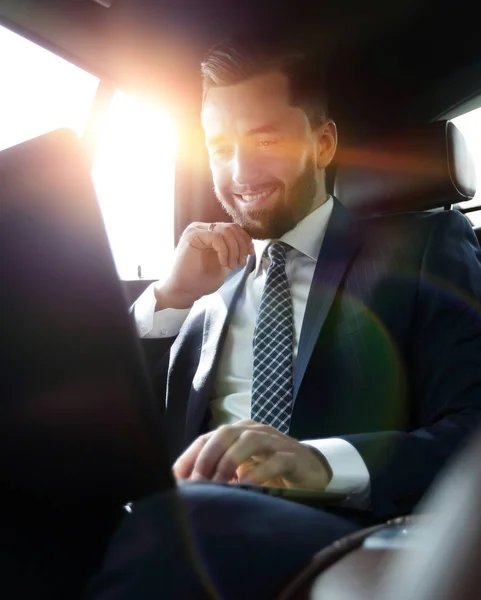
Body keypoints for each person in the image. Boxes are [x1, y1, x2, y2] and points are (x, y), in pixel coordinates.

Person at [88, 37, 481, 599]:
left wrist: (319, 462)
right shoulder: (203, 287)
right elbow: (113, 437)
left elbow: (472, 431)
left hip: (342, 533)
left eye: (266, 137)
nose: (240, 170)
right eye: (220, 146)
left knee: (179, 524)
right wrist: (169, 297)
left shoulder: (421, 248)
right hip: (187, 534)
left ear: (322, 144)